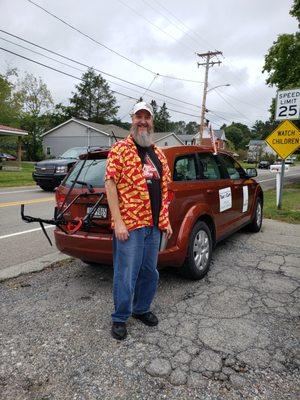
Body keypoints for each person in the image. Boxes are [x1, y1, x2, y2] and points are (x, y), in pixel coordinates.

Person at [105, 101, 172, 340]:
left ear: (152, 122)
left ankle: (141, 309)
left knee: (149, 272)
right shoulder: (120, 149)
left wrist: (166, 221)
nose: (143, 121)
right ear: (131, 119)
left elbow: (166, 191)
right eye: (138, 116)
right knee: (126, 274)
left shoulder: (159, 154)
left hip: (154, 226)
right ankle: (120, 317)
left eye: (147, 117)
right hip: (130, 226)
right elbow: (110, 184)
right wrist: (119, 222)